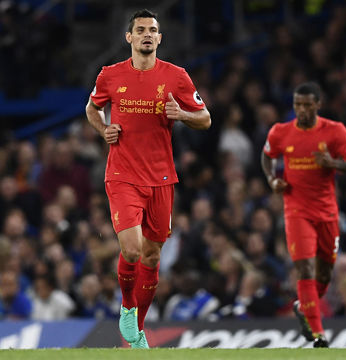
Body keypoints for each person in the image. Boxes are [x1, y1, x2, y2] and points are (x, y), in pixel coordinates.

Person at [85, 9, 211, 348]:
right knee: (132, 248)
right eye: (140, 29)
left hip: (161, 178)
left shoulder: (176, 76)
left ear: (159, 38)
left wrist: (182, 114)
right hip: (123, 174)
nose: (146, 34)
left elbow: (205, 118)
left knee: (152, 256)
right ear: (129, 37)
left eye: (152, 30)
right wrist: (104, 129)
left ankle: (137, 330)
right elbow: (92, 108)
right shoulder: (110, 75)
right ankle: (127, 305)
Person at [261, 82, 346, 348]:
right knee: (304, 268)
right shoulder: (281, 132)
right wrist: (273, 180)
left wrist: (333, 163)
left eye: (307, 105)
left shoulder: (334, 131)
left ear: (318, 104)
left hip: (327, 213)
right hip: (296, 211)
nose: (302, 110)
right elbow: (266, 156)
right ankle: (319, 334)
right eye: (298, 105)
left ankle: (302, 306)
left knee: (324, 275)